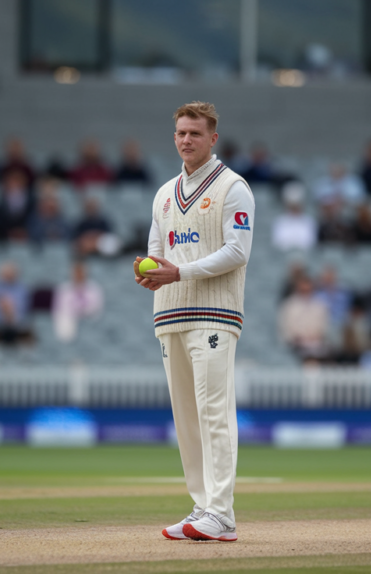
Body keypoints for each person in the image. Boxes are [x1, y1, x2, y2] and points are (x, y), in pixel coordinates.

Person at [133, 101, 254, 543]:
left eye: (195, 133)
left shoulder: (233, 187)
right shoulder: (164, 193)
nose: (186, 140)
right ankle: (203, 507)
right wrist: (148, 271)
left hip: (215, 314)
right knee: (186, 418)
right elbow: (155, 250)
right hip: (170, 315)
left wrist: (179, 272)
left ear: (212, 139)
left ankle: (222, 513)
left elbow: (237, 252)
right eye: (181, 133)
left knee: (213, 413)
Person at [279, 276, 330, 360]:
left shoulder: (320, 305)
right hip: (295, 345)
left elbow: (324, 326)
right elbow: (285, 328)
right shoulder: (289, 306)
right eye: (303, 291)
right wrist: (297, 338)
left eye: (308, 290)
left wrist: (316, 336)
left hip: (316, 344)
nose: (306, 293)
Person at [52, 261, 104, 342]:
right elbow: (61, 310)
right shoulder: (64, 289)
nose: (79, 275)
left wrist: (82, 312)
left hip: (90, 324)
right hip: (70, 323)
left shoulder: (94, 289)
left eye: (81, 272)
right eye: (76, 272)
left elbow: (96, 309)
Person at [271, 182, 317, 251]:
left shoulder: (309, 221)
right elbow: (278, 243)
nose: (295, 207)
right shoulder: (279, 221)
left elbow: (310, 243)